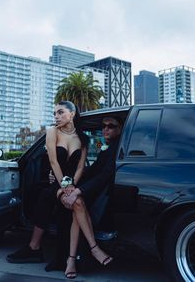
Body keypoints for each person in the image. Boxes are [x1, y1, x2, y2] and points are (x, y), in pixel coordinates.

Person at [7, 101, 88, 264]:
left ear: (72, 114)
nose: (56, 117)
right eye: (54, 114)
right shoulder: (52, 132)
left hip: (75, 183)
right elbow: (53, 162)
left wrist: (72, 186)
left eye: (60, 112)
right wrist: (65, 187)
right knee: (45, 194)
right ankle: (35, 246)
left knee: (50, 198)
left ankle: (41, 248)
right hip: (59, 181)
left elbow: (81, 166)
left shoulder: (82, 138)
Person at [53, 115, 123, 278]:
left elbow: (103, 173)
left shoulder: (116, 148)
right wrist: (69, 182)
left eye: (110, 126)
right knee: (78, 205)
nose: (105, 128)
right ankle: (93, 249)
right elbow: (94, 170)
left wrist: (77, 189)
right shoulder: (109, 146)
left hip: (89, 190)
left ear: (120, 128)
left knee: (77, 203)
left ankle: (73, 259)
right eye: (103, 126)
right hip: (75, 187)